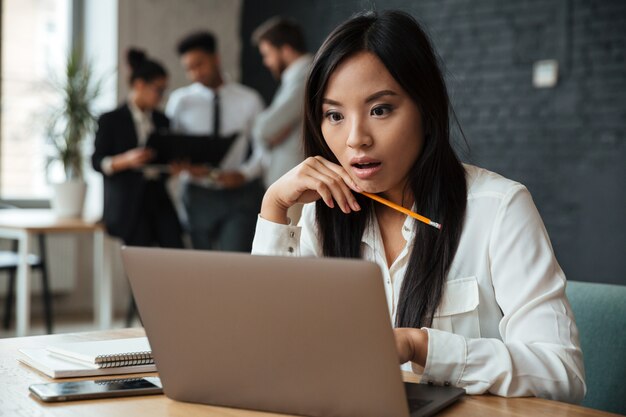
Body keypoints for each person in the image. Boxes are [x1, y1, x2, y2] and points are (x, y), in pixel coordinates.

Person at [251, 10, 585, 403]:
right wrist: (274, 206)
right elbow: (267, 356)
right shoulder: (321, 215)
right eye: (334, 115)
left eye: (380, 110)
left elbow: (562, 374)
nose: (356, 139)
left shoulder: (498, 209)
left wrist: (419, 345)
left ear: (425, 111)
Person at [166, 31, 265, 251]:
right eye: (189, 68)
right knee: (198, 270)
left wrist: (244, 174)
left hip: (238, 194)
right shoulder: (179, 102)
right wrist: (181, 167)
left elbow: (263, 149)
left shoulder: (249, 99)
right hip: (197, 194)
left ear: (216, 58)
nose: (195, 73)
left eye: (199, 64)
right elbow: (171, 148)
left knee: (233, 266)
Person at [92, 48, 184, 250]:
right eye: (158, 90)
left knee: (176, 250)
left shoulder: (162, 120)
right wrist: (126, 160)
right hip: (128, 204)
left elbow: (163, 163)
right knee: (139, 259)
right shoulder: (111, 120)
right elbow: (97, 162)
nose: (161, 96)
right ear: (139, 85)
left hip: (158, 199)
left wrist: (172, 169)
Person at [251, 17, 312, 193]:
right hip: (293, 181)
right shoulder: (295, 77)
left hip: (297, 183)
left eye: (267, 54)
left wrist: (266, 132)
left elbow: (265, 128)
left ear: (285, 50)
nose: (266, 62)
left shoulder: (305, 76)